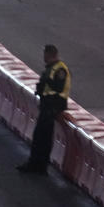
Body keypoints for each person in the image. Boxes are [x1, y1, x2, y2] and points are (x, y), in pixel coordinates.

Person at [18, 44, 70, 174]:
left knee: (43, 138)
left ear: (49, 54)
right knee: (39, 137)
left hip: (52, 107)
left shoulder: (59, 70)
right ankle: (35, 164)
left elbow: (57, 88)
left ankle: (39, 166)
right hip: (47, 106)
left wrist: (45, 85)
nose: (43, 58)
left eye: (45, 55)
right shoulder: (52, 68)